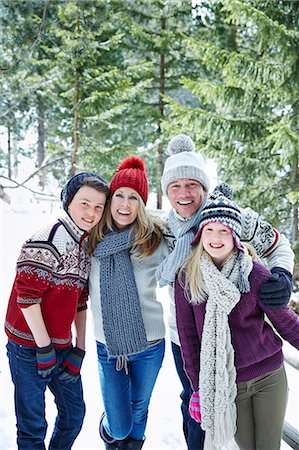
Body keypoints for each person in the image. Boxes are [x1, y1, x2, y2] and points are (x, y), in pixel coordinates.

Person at [156, 134, 294, 450]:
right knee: (194, 403)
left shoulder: (232, 218)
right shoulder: (162, 228)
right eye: (175, 186)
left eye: (192, 184)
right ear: (166, 191)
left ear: (204, 188)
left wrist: (282, 275)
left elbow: (278, 244)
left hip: (242, 341)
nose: (183, 193)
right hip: (187, 338)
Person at [4, 172, 109, 450]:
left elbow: (80, 300)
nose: (92, 212)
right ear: (69, 201)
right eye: (85, 203)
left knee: (74, 415)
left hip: (60, 347)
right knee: (32, 427)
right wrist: (43, 348)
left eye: (99, 206)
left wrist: (80, 348)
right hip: (27, 348)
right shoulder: (47, 239)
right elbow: (27, 299)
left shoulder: (85, 245)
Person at [88, 156, 169, 450]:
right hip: (107, 347)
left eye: (133, 197)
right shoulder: (91, 241)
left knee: (139, 412)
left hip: (150, 346)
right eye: (119, 195)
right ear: (110, 200)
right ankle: (111, 426)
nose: (125, 203)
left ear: (142, 203)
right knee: (120, 425)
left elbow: (193, 247)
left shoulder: (156, 239)